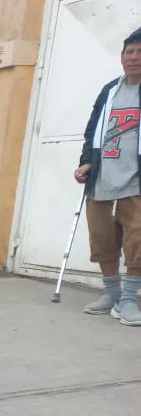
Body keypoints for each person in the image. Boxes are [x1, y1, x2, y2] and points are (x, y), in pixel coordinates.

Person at [76, 27, 141, 326]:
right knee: (102, 239)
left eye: (140, 53)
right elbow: (92, 130)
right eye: (130, 52)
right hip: (102, 177)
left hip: (134, 180)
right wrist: (86, 162)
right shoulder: (109, 91)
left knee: (138, 240)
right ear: (121, 57)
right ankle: (112, 294)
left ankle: (128, 299)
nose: (135, 58)